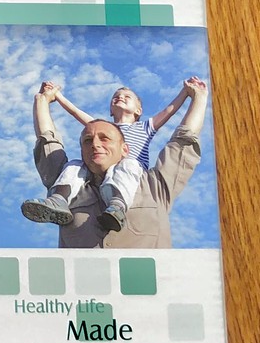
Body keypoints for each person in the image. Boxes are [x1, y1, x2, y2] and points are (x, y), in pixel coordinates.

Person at [27, 76, 208, 249]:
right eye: (88, 140)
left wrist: (194, 95)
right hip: (85, 271)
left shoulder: (154, 186)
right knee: (73, 165)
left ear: (124, 148)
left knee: (128, 164)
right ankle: (58, 199)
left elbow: (183, 139)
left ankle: (118, 204)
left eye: (105, 138)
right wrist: (46, 99)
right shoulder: (74, 178)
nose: (96, 144)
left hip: (133, 172)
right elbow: (49, 141)